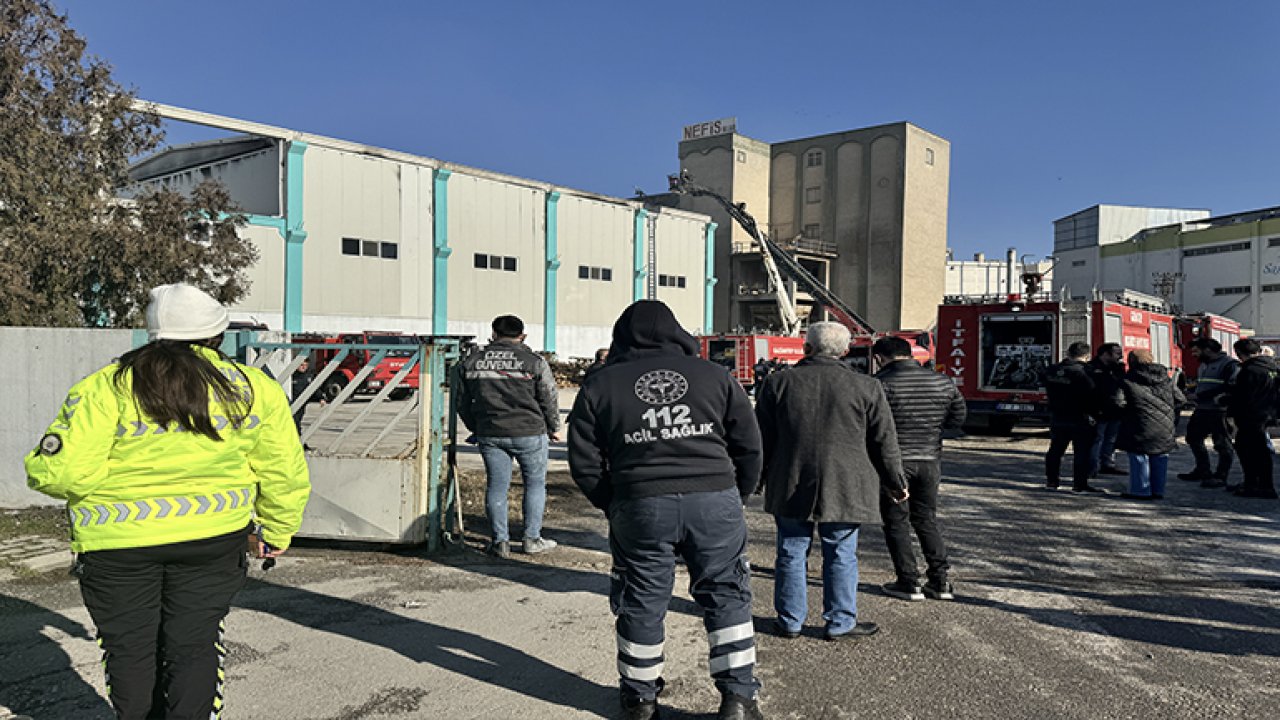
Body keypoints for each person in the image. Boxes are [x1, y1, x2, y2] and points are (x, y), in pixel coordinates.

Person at [24, 283, 311, 720]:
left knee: (129, 652)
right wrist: (277, 529)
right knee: (194, 647)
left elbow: (62, 473)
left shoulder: (105, 387)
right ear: (217, 334)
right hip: (213, 541)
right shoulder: (253, 389)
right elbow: (283, 469)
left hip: (117, 547)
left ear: (153, 333)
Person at [568, 301, 765, 720]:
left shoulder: (600, 385)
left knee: (641, 598)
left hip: (640, 501)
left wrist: (614, 502)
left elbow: (585, 460)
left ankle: (640, 701)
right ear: (677, 333)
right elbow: (749, 445)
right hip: (714, 498)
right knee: (726, 594)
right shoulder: (715, 376)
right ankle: (738, 699)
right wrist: (737, 495)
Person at [755, 322, 908, 643]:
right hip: (846, 483)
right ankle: (840, 622)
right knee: (841, 552)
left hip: (790, 479)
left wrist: (756, 479)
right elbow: (884, 441)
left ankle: (790, 621)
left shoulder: (777, 383)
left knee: (791, 550)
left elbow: (762, 439)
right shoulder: (867, 386)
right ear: (845, 351)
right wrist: (895, 481)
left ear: (806, 348)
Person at [456, 314, 562, 559]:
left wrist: (476, 427)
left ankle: (500, 542)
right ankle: (531, 539)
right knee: (534, 485)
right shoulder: (534, 362)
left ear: (493, 334)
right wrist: (553, 426)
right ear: (522, 336)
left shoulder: (472, 362)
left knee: (496, 487)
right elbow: (548, 395)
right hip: (530, 432)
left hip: (490, 432)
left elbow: (461, 401)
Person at [872, 336, 966, 602]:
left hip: (894, 460)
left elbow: (872, 424)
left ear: (879, 358)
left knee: (896, 521)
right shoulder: (943, 382)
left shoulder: (879, 384)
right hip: (929, 458)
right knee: (926, 519)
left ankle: (908, 580)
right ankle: (940, 580)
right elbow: (958, 417)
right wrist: (933, 432)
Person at [1114, 350, 1182, 500]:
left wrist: (1128, 412)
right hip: (1164, 425)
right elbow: (1180, 399)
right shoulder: (1165, 378)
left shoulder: (1127, 379)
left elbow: (1118, 402)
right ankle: (1158, 491)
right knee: (1160, 456)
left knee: (1139, 456)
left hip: (1138, 423)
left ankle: (1140, 491)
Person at [1044, 341, 1105, 493]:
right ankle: (1079, 484)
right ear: (1087, 355)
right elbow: (1093, 394)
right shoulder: (1086, 372)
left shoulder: (1052, 370)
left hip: (1058, 415)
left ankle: (1052, 481)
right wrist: (1096, 413)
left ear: (1068, 353)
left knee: (1055, 450)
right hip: (1080, 417)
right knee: (1081, 452)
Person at [1177, 338, 1239, 487]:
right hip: (1202, 409)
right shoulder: (1203, 365)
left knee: (1222, 444)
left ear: (1208, 350)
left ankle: (1221, 475)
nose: (1193, 354)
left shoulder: (1229, 365)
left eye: (1196, 351)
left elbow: (1230, 387)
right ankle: (1202, 470)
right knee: (1193, 438)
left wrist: (1201, 395)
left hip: (1220, 411)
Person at [1224, 338, 1280, 499]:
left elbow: (1242, 396)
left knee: (1248, 450)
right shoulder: (1272, 368)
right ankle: (1260, 484)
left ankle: (1256, 485)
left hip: (1250, 415)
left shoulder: (1249, 370)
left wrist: (1228, 404)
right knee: (1259, 450)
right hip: (1266, 413)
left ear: (1239, 353)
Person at [1087, 342, 1127, 477]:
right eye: (1117, 353)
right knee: (1097, 439)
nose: (1120, 356)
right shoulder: (1092, 368)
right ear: (1105, 354)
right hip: (1099, 410)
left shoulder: (1118, 368)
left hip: (1116, 410)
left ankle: (1108, 464)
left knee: (1111, 439)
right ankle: (1092, 468)